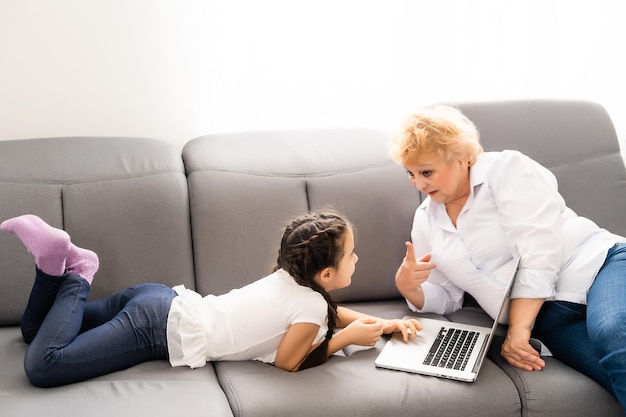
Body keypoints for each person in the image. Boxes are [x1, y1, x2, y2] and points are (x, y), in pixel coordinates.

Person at [1, 211, 420, 388]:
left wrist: (381, 324)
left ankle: (55, 266)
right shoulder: (309, 306)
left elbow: (326, 312)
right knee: (44, 365)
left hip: (156, 299)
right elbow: (289, 361)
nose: (358, 259)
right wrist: (349, 339)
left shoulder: (292, 281)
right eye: (352, 255)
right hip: (156, 328)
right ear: (326, 274)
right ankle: (79, 272)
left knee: (37, 331)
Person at [389, 105, 626, 408]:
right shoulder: (425, 221)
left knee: (614, 332)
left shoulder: (506, 170)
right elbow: (448, 296)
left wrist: (518, 328)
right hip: (550, 321)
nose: (419, 184)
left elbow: (538, 249)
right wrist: (410, 288)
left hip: (598, 267)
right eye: (410, 173)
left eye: (426, 172)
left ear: (464, 157)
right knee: (610, 372)